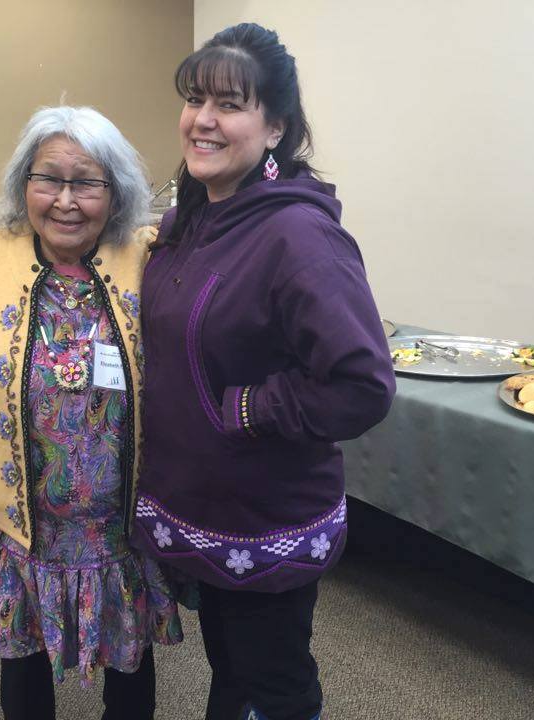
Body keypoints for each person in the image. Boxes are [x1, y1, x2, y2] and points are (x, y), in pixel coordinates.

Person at [132, 24, 396, 720]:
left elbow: (362, 384)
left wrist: (247, 408)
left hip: (263, 514)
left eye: (229, 104)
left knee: (274, 685)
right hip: (208, 507)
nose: (203, 120)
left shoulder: (299, 236)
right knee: (234, 671)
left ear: (275, 127)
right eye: (195, 99)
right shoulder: (194, 220)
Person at [0, 105, 183, 720]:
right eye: (47, 179)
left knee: (131, 666)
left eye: (86, 182)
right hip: (21, 523)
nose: (65, 200)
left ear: (115, 192)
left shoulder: (148, 257)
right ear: (22, 184)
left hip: (120, 525)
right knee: (24, 667)